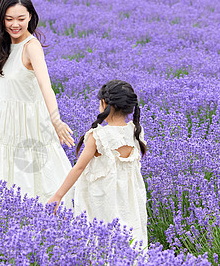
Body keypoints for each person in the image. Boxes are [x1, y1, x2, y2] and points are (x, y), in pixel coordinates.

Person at [0, 0, 75, 204]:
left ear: (30, 17)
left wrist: (56, 120)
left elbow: (46, 86)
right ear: (1, 19)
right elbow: (11, 88)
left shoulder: (32, 47)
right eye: (9, 19)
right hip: (7, 126)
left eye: (20, 18)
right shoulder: (7, 46)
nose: (15, 24)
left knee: (33, 181)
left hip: (29, 126)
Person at [48, 80, 148, 244]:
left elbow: (78, 168)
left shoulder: (98, 135)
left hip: (102, 196)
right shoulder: (136, 130)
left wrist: (58, 195)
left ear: (105, 103)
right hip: (129, 196)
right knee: (130, 234)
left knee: (100, 237)